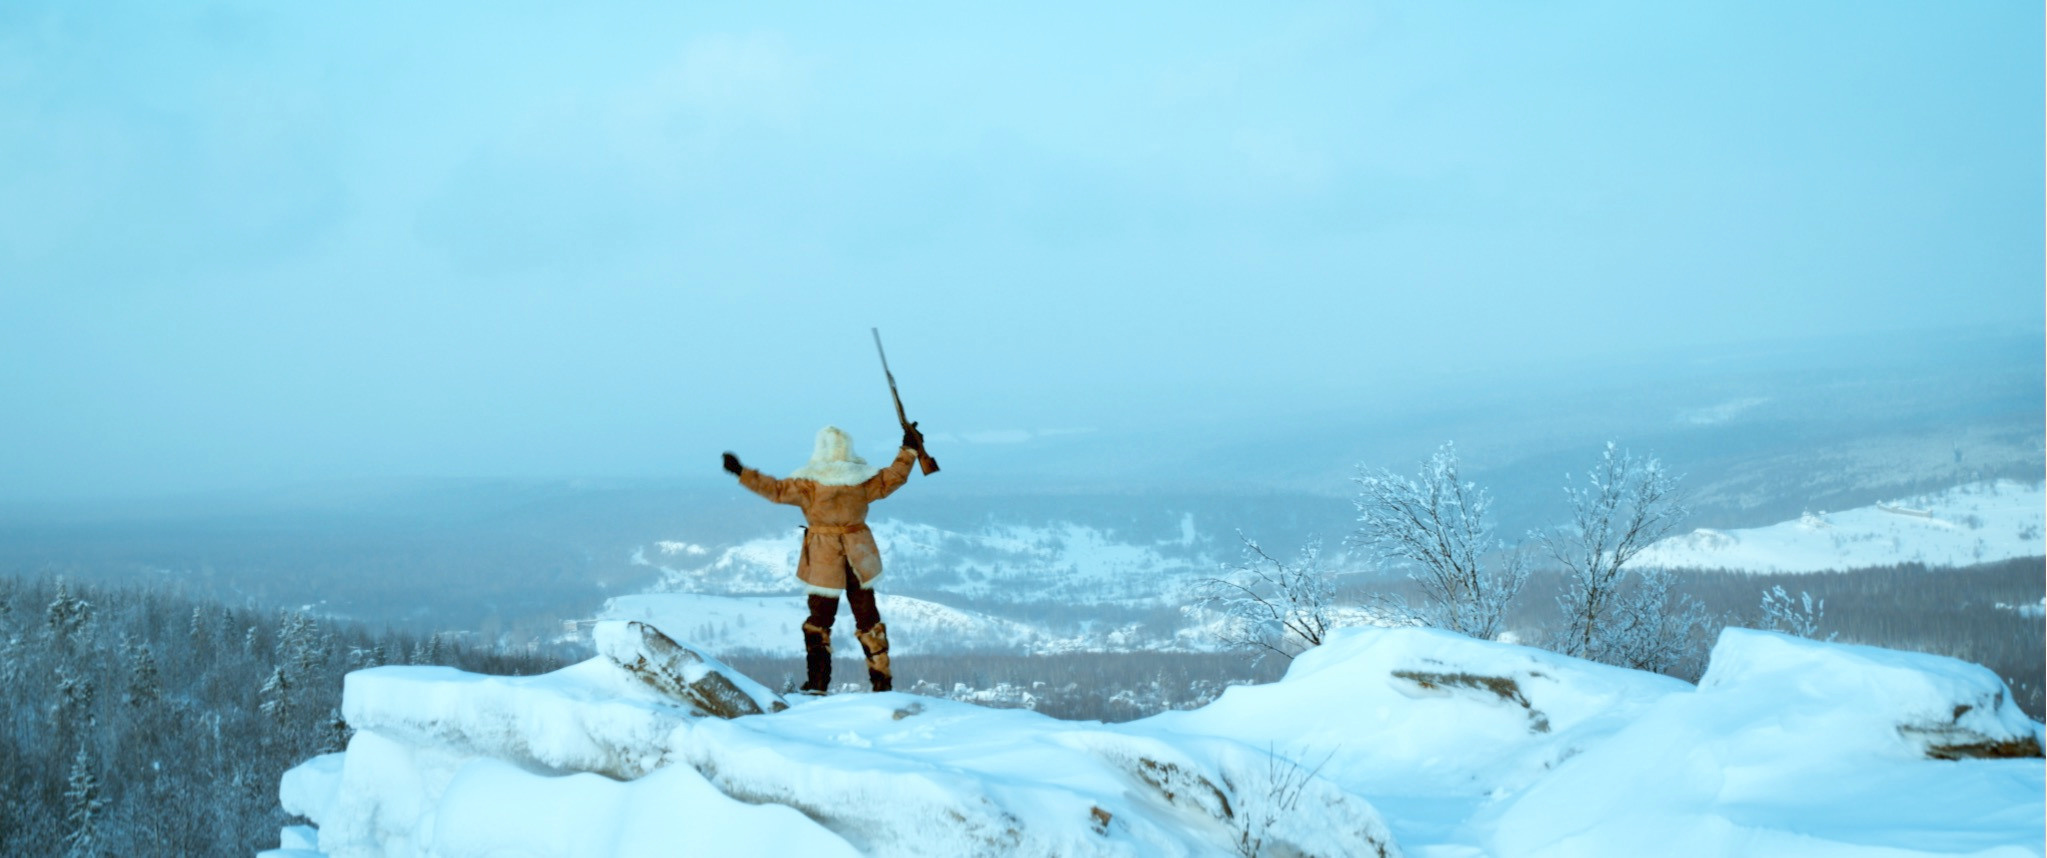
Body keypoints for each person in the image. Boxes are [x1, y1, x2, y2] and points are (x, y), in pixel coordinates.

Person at [723, 426, 921, 694]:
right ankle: (881, 682)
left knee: (820, 619)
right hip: (859, 552)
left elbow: (775, 490)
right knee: (868, 618)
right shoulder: (862, 479)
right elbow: (894, 477)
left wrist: (742, 472)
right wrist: (908, 449)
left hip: (822, 555)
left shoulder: (809, 484)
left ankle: (817, 682)